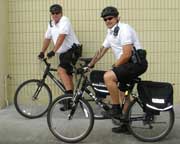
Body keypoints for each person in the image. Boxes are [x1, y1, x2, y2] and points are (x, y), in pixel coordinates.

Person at [88, 6, 148, 133]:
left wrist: (114, 67)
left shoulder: (124, 29)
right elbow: (101, 51)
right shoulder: (110, 33)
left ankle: (115, 108)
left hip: (136, 64)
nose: (108, 21)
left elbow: (126, 54)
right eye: (105, 19)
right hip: (128, 65)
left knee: (108, 76)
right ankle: (126, 125)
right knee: (123, 94)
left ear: (117, 18)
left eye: (110, 18)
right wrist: (90, 64)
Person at [38, 4, 81, 108]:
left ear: (61, 13)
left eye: (57, 13)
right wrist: (42, 52)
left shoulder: (65, 20)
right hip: (64, 53)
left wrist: (53, 51)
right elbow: (47, 38)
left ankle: (68, 98)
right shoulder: (51, 24)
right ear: (51, 14)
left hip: (73, 51)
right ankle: (71, 100)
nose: (55, 15)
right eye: (53, 13)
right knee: (68, 75)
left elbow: (62, 36)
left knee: (61, 70)